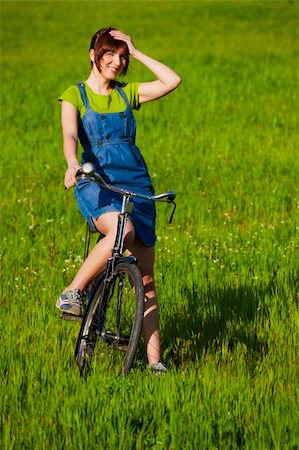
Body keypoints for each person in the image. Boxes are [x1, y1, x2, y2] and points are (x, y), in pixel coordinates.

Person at [57, 27, 180, 373]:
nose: (117, 61)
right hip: (96, 180)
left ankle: (156, 362)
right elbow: (69, 135)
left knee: (146, 279)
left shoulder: (128, 94)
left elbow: (172, 80)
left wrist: (138, 51)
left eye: (122, 56)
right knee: (120, 229)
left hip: (136, 181)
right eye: (110, 53)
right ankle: (73, 292)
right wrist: (72, 164)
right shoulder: (75, 94)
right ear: (94, 54)